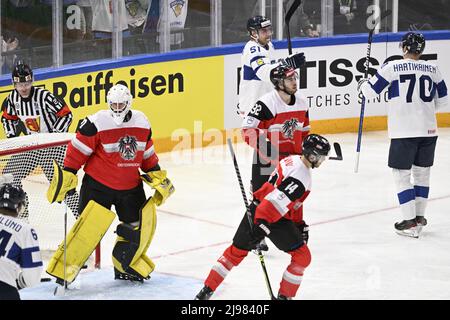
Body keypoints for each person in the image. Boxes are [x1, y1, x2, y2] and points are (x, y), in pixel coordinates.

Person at [46, 83, 174, 283]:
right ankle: (65, 270)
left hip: (130, 188)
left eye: (120, 105)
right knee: (87, 230)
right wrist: (68, 174)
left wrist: (156, 175)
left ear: (128, 103)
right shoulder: (96, 122)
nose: (116, 109)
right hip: (98, 186)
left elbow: (146, 154)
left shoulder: (142, 122)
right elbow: (77, 151)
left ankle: (125, 265)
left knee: (136, 228)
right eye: (113, 105)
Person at [195, 134, 331, 300]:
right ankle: (284, 297)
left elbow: (288, 201)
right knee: (303, 257)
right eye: (322, 156)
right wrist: (263, 224)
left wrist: (298, 224)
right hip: (271, 216)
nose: (323, 160)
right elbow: (276, 201)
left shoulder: (292, 160)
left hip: (258, 209)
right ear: (312, 155)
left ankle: (205, 291)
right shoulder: (301, 176)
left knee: (234, 252)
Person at [358, 32, 448, 238]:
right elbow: (444, 99)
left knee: (401, 175)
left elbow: (370, 92)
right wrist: (423, 110)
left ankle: (409, 222)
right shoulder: (433, 68)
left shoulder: (392, 67)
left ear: (404, 48)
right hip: (428, 130)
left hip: (403, 131)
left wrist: (362, 84)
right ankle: (419, 218)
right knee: (422, 174)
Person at [242, 64, 310, 251]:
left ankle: (295, 229)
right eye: (289, 79)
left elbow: (304, 132)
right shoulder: (266, 103)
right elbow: (247, 130)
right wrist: (271, 154)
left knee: (292, 196)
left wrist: (304, 157)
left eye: (295, 78)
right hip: (266, 159)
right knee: (261, 198)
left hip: (291, 161)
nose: (294, 82)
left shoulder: (302, 102)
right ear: (279, 83)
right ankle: (256, 235)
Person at [1, 61, 79, 218]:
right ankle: (21, 214)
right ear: (13, 83)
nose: (23, 88)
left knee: (63, 186)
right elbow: (7, 118)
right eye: (19, 84)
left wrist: (54, 137)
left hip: (52, 148)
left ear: (32, 80)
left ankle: (80, 215)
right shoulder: (12, 99)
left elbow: (66, 114)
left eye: (27, 83)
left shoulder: (44, 97)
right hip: (31, 147)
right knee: (8, 178)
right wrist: (13, 138)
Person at [237, 15, 306, 118]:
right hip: (253, 105)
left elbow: (273, 69)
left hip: (264, 103)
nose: (268, 34)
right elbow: (264, 72)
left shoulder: (269, 46)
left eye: (269, 30)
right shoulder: (253, 49)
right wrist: (287, 63)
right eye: (264, 31)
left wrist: (287, 65)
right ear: (253, 33)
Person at [0, 182, 43, 300]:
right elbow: (32, 278)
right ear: (19, 206)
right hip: (4, 290)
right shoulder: (25, 230)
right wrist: (19, 282)